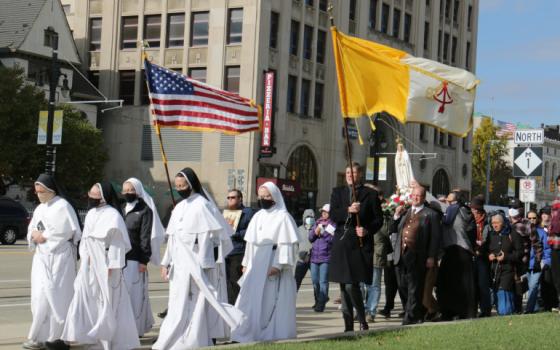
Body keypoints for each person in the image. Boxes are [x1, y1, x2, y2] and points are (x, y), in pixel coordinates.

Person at [154, 168, 244, 349]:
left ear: (191, 184)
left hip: (196, 264)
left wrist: (203, 265)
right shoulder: (178, 207)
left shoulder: (202, 205)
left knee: (196, 304)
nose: (179, 189)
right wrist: (166, 262)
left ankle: (196, 338)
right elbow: (173, 239)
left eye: (182, 185)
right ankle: (177, 337)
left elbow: (207, 238)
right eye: (177, 186)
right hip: (178, 266)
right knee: (177, 302)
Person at [62, 182, 140, 350]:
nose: (92, 198)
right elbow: (85, 239)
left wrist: (112, 264)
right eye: (91, 195)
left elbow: (118, 243)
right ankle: (91, 337)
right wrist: (85, 257)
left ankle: (108, 341)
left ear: (104, 197)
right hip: (89, 265)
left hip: (106, 265)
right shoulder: (90, 213)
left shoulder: (113, 216)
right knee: (88, 300)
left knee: (107, 302)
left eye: (96, 196)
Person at [232, 181, 299, 342]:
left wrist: (278, 265)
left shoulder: (283, 217)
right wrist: (246, 262)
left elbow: (286, 244)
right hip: (256, 262)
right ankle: (245, 332)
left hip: (272, 261)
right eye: (261, 196)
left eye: (267, 196)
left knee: (269, 300)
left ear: (274, 197)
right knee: (248, 298)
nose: (263, 199)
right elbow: (250, 243)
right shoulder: (257, 216)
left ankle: (269, 332)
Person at [23, 174, 82, 350]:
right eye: (36, 192)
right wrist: (34, 235)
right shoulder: (41, 208)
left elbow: (65, 231)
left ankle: (58, 338)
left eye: (41, 191)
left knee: (58, 298)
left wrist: (44, 236)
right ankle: (38, 336)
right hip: (42, 259)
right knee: (39, 297)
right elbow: (35, 226)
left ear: (51, 190)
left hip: (60, 260)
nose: (38, 195)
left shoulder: (62, 206)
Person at [328, 162, 383, 332]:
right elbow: (333, 214)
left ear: (360, 174)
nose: (349, 175)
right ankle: (348, 325)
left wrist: (367, 230)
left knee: (352, 284)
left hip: (360, 244)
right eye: (347, 173)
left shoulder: (371, 194)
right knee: (344, 286)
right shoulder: (337, 192)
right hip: (342, 242)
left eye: (353, 172)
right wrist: (348, 211)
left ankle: (361, 318)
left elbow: (378, 220)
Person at [121, 178, 165, 337]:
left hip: (135, 260)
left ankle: (135, 329)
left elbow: (145, 237)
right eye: (125, 190)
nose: (127, 193)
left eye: (131, 190)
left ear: (138, 191)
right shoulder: (121, 208)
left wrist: (143, 260)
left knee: (135, 295)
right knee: (121, 295)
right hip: (119, 259)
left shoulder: (145, 210)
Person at [391, 185, 441, 325]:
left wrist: (432, 256)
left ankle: (411, 316)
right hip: (401, 255)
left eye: (418, 195)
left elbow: (435, 238)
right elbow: (395, 229)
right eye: (414, 195)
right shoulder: (406, 212)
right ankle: (417, 312)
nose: (415, 197)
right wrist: (396, 215)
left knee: (415, 287)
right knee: (402, 286)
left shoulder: (431, 214)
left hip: (418, 256)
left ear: (423, 198)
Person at [437, 191, 477, 320]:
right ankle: (464, 311)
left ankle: (449, 311)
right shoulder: (466, 212)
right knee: (463, 284)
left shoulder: (452, 211)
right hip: (463, 250)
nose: (447, 200)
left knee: (450, 284)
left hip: (453, 249)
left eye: (449, 198)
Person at [483, 212, 522, 316]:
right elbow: (485, 250)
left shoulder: (513, 234)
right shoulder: (491, 235)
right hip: (494, 270)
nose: (495, 225)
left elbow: (520, 253)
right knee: (498, 293)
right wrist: (489, 255)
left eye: (497, 223)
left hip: (509, 269)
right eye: (493, 223)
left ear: (503, 223)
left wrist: (506, 257)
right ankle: (509, 310)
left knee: (503, 290)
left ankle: (506, 312)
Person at [364, 185, 392, 322]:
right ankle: (363, 309)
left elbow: (388, 234)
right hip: (365, 253)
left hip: (377, 254)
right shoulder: (365, 211)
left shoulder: (385, 212)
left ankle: (371, 311)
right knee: (364, 285)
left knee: (374, 284)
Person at [224, 189, 256, 304]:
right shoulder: (226, 212)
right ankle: (229, 305)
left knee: (235, 281)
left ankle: (236, 307)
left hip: (239, 252)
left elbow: (252, 231)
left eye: (233, 197)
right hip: (226, 251)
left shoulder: (248, 212)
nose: (230, 200)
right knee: (226, 282)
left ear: (240, 199)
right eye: (228, 197)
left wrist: (236, 234)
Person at [308, 204, 335, 312]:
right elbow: (310, 238)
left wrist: (323, 232)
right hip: (314, 257)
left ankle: (321, 304)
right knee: (315, 281)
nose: (323, 213)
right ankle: (319, 299)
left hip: (326, 257)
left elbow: (332, 240)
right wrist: (315, 232)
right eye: (322, 211)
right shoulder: (317, 222)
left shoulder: (332, 224)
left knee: (323, 281)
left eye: (326, 212)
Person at [470, 196, 492, 317]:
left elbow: (490, 239)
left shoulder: (487, 220)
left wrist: (482, 248)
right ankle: (472, 309)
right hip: (471, 254)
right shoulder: (468, 219)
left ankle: (485, 310)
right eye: (473, 209)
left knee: (483, 284)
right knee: (472, 285)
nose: (474, 212)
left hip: (483, 256)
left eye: (476, 210)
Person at [526, 211, 551, 313]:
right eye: (529, 218)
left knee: (533, 286)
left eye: (534, 218)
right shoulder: (524, 230)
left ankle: (529, 310)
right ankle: (535, 308)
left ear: (537, 219)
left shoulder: (542, 232)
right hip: (526, 264)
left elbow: (547, 249)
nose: (532, 220)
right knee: (531, 288)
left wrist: (545, 262)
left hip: (537, 263)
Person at [295, 209, 315, 290]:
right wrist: (299, 256)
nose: (309, 219)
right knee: (296, 281)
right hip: (301, 260)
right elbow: (295, 246)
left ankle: (318, 302)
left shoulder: (317, 229)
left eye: (311, 217)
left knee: (316, 282)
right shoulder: (298, 229)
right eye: (307, 217)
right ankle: (291, 300)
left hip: (314, 260)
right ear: (304, 218)